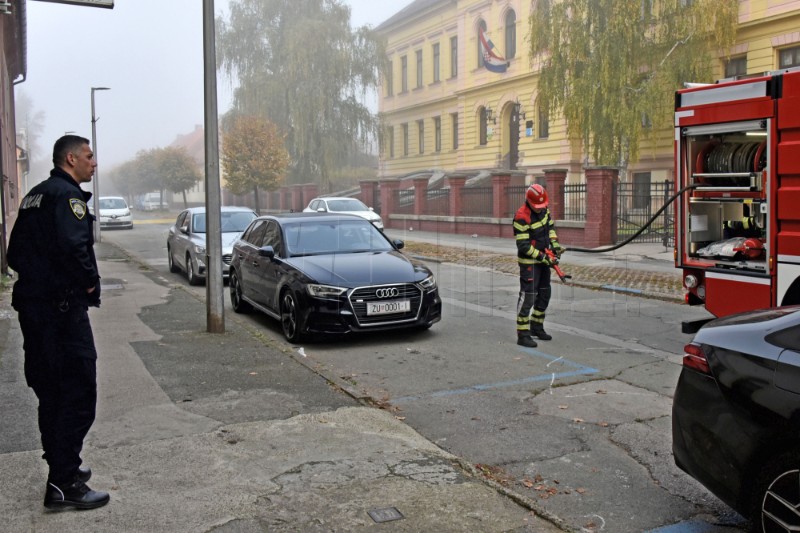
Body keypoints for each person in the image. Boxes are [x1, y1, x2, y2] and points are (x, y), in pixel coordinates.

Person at [7, 135, 109, 510]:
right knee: (79, 394)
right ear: (71, 159)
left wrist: (40, 281)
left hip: (36, 312)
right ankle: (64, 484)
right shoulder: (67, 198)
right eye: (89, 155)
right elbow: (73, 248)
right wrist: (86, 284)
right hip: (62, 312)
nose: (93, 162)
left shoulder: (35, 195)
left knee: (50, 393)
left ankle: (64, 467)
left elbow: (14, 253)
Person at [513, 183, 563, 348]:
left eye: (543, 206)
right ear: (529, 202)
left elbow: (550, 229)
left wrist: (554, 246)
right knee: (528, 297)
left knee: (544, 294)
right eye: (537, 206)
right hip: (530, 264)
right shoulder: (521, 216)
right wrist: (542, 256)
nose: (540, 209)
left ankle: (536, 326)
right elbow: (523, 246)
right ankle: (523, 333)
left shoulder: (544, 210)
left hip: (543, 262)